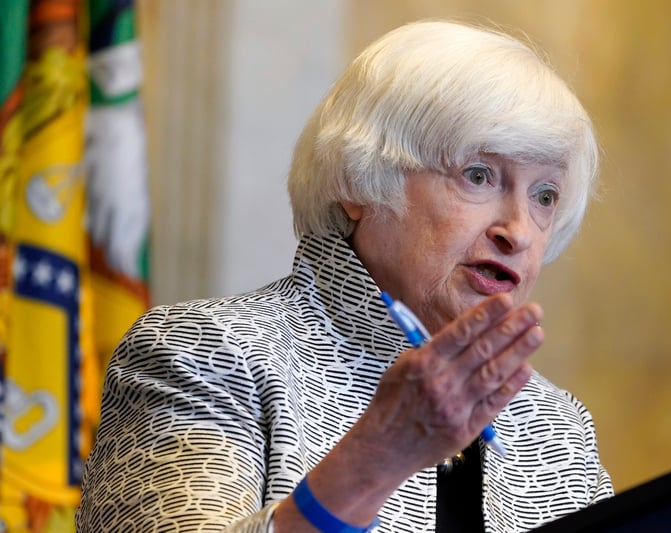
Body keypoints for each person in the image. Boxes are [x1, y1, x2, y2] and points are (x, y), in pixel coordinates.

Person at [77, 19, 613, 533]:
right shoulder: (204, 352)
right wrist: (377, 456)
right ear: (360, 180)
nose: (518, 231)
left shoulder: (556, 425)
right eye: (479, 175)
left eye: (545, 195)